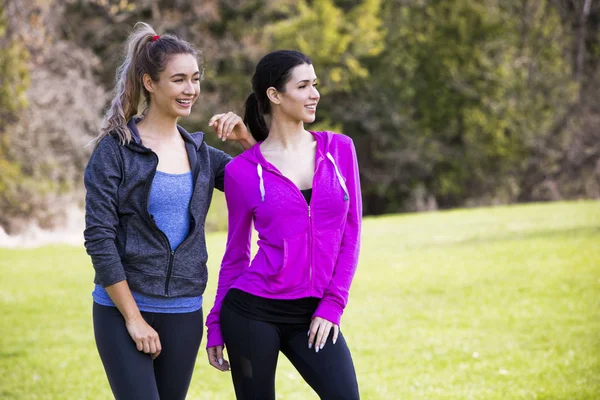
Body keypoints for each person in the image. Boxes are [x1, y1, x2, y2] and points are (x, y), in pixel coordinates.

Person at [83, 22, 255, 400]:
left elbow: (267, 185)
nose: (190, 89)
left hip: (184, 313)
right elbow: (99, 238)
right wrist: (133, 318)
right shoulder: (115, 152)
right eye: (178, 79)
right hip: (122, 311)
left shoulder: (203, 156)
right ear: (149, 83)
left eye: (194, 79)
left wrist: (247, 140)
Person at [205, 50, 362, 399]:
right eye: (303, 86)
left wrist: (333, 304)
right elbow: (235, 255)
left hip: (315, 311)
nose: (314, 94)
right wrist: (215, 323)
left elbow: (351, 234)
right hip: (251, 313)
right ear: (275, 95)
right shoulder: (242, 171)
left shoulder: (339, 150)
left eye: (315, 85)